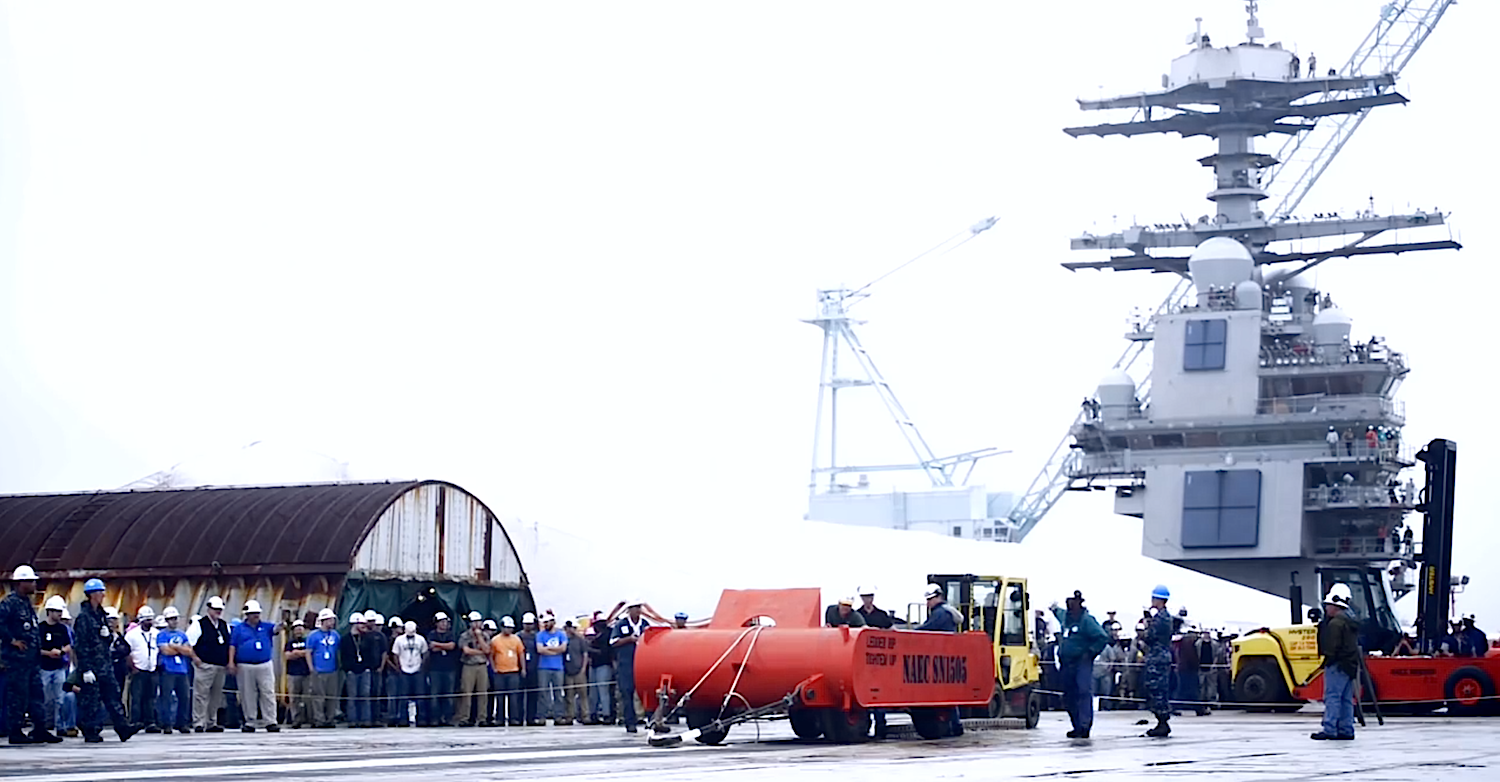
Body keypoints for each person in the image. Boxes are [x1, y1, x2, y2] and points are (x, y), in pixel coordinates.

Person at [1, 565, 61, 744]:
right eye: (31, 581)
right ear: (21, 583)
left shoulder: (27, 603)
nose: (34, 584)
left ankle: (40, 729)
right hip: (17, 661)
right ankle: (15, 731)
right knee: (18, 696)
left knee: (37, 695)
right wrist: (12, 641)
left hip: (32, 660)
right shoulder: (9, 603)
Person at [73, 579, 135, 743]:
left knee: (113, 696)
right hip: (92, 666)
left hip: (104, 665)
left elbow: (104, 642)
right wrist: (85, 668)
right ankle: (91, 730)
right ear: (92, 595)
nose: (102, 595)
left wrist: (107, 637)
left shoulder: (101, 616)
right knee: (92, 701)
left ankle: (123, 727)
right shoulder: (84, 618)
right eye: (100, 592)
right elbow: (81, 645)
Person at [1052, 591, 1109, 739]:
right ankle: (1076, 725)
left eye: (1072, 603)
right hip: (1066, 663)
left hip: (1081, 662)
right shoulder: (1066, 617)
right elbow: (1058, 612)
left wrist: (1090, 652)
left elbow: (1102, 637)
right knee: (1069, 694)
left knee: (1083, 691)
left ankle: (1084, 726)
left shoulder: (1087, 621)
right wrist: (1053, 609)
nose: (1069, 605)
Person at [1312, 584, 1360, 741]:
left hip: (1337, 665)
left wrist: (1327, 660)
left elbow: (1331, 646)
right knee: (1346, 699)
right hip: (1349, 665)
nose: (1326, 608)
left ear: (1335, 605)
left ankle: (1329, 728)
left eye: (1328, 605)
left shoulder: (1335, 624)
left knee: (1332, 697)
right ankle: (1346, 729)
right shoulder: (1349, 621)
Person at [915, 584, 964, 737]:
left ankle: (955, 726)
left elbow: (928, 628)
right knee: (949, 695)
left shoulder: (940, 614)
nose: (928, 602)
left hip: (941, 656)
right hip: (946, 657)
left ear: (938, 597)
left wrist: (909, 632)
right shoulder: (946, 612)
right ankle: (956, 726)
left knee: (946, 696)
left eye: (930, 599)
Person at [227, 599, 280, 733]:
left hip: (264, 664)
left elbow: (276, 629)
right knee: (247, 694)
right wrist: (231, 662)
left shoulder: (266, 626)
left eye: (257, 613)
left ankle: (271, 721)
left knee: (268, 692)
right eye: (253, 613)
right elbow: (232, 646)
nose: (256, 616)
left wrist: (282, 624)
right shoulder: (239, 629)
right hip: (245, 665)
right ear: (247, 615)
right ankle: (250, 721)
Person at [188, 595, 232, 733]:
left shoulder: (224, 625)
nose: (217, 612)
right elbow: (189, 643)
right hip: (205, 664)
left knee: (216, 695)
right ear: (209, 609)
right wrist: (195, 658)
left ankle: (211, 721)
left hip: (220, 666)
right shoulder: (199, 624)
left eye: (219, 609)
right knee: (201, 694)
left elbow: (228, 644)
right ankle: (198, 722)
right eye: (215, 609)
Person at [611, 599, 650, 733]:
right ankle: (630, 722)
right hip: (626, 664)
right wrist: (629, 639)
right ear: (629, 610)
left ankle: (651, 720)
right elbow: (613, 641)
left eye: (639, 608)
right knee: (626, 693)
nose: (637, 610)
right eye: (634, 608)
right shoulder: (621, 624)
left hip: (643, 663)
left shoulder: (645, 624)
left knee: (646, 692)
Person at [1142, 585, 1174, 738]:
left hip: (1157, 658)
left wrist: (1148, 622)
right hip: (1160, 657)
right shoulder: (1165, 617)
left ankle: (1162, 722)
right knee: (1158, 689)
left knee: (1157, 690)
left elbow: (1149, 636)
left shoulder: (1160, 618)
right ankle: (1161, 721)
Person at [155, 607, 193, 734]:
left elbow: (189, 651)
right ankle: (166, 723)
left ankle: (183, 723)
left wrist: (176, 647)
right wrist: (180, 649)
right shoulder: (162, 635)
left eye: (175, 619)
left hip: (182, 670)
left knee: (184, 697)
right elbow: (165, 651)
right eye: (171, 619)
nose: (174, 621)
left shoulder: (182, 634)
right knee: (166, 697)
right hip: (168, 670)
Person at [305, 609, 340, 728]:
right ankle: (319, 719)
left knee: (331, 696)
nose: (332, 622)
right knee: (318, 696)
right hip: (319, 669)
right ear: (323, 621)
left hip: (332, 669)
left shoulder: (335, 635)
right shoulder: (313, 635)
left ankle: (330, 718)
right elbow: (308, 652)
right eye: (330, 620)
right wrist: (311, 668)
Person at [489, 616, 524, 726]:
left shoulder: (516, 639)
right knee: (500, 697)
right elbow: (491, 655)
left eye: (510, 628)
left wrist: (523, 668)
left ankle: (513, 718)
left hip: (513, 671)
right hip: (500, 672)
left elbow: (521, 654)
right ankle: (500, 718)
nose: (509, 630)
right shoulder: (495, 640)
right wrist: (494, 668)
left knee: (513, 697)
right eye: (506, 627)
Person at [427, 612, 459, 727]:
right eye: (442, 622)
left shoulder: (451, 634)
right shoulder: (431, 634)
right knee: (434, 695)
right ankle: (435, 719)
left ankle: (448, 718)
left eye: (446, 622)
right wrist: (444, 645)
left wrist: (438, 645)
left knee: (448, 695)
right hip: (435, 669)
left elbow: (452, 646)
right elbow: (431, 647)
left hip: (449, 668)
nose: (444, 624)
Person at [535, 612, 567, 725]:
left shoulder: (561, 634)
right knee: (543, 692)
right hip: (543, 667)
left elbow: (563, 648)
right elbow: (540, 649)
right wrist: (555, 650)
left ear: (553, 622)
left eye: (548, 622)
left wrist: (547, 649)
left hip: (558, 668)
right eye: (545, 622)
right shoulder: (540, 635)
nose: (546, 624)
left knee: (558, 692)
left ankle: (558, 716)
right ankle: (542, 716)